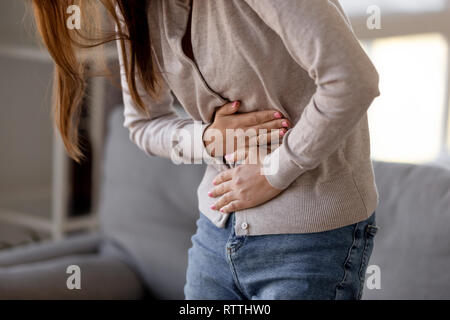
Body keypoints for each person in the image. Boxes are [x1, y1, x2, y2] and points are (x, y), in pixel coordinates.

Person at [32, 0, 380, 300]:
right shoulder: (134, 8)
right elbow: (142, 123)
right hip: (215, 236)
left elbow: (352, 80)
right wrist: (208, 138)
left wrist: (276, 171)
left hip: (310, 241)